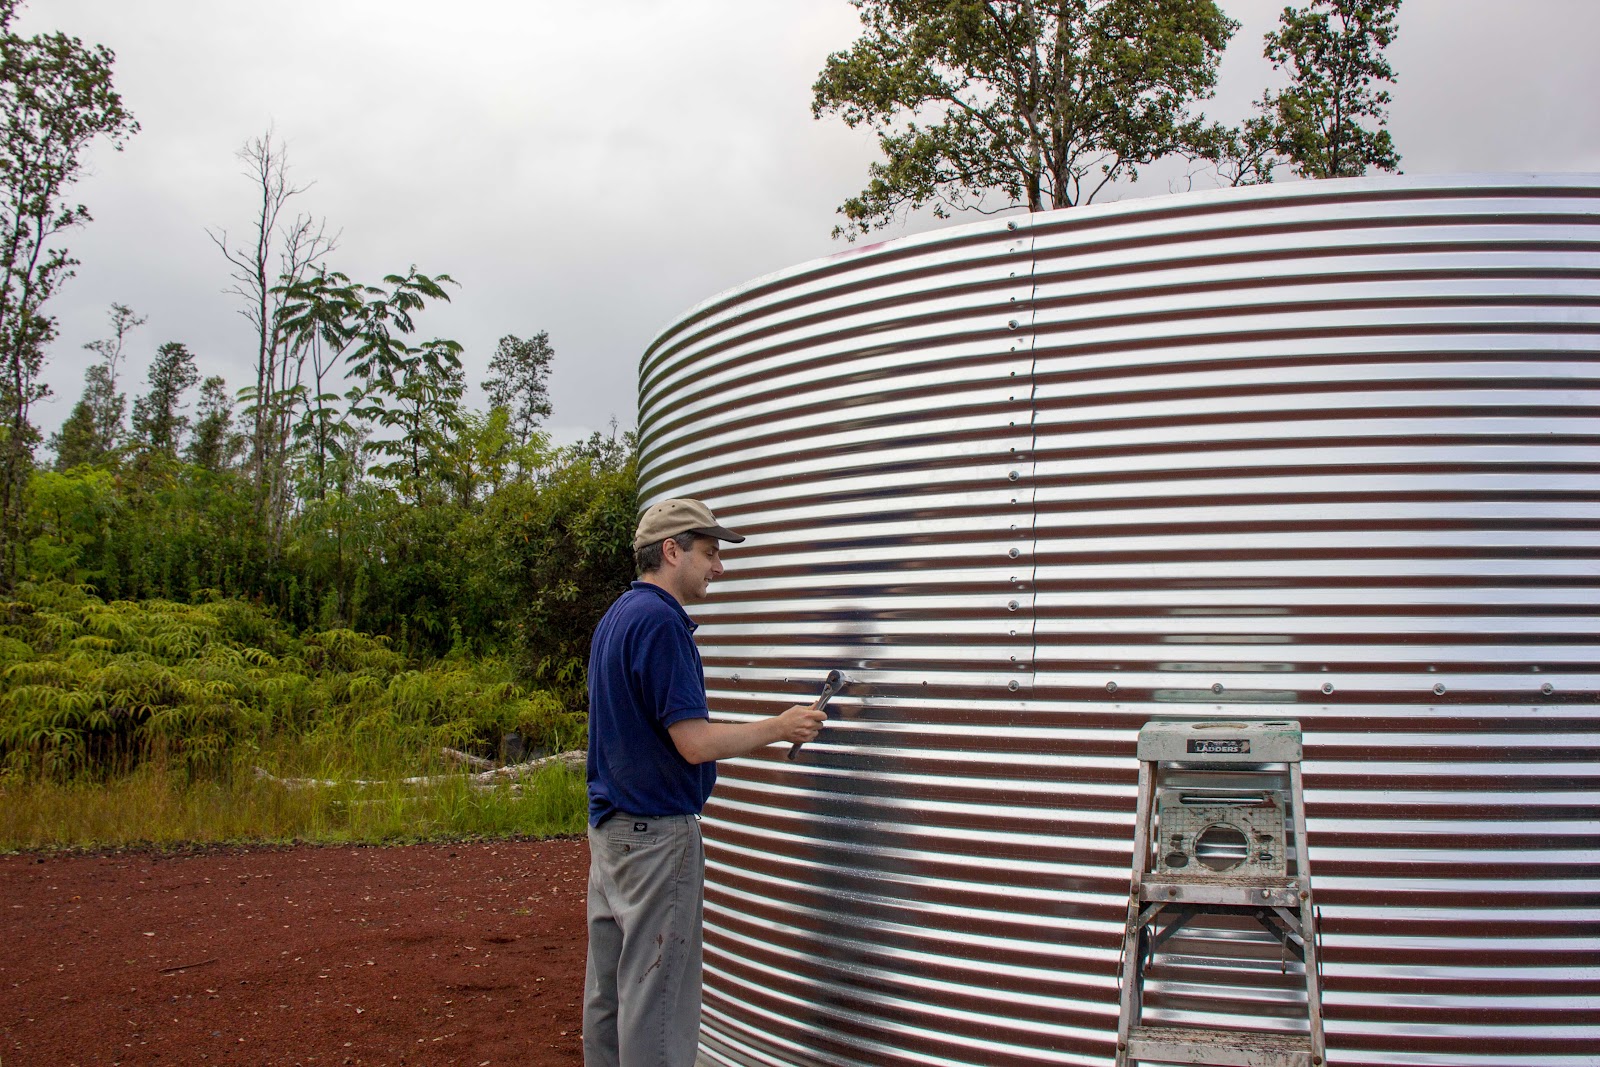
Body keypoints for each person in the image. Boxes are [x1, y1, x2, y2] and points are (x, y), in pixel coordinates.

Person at [582, 497, 826, 1067]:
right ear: (672, 551)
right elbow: (692, 743)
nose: (720, 568)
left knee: (611, 996)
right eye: (710, 553)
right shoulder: (663, 624)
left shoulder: (616, 617)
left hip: (610, 834)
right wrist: (780, 725)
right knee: (658, 1001)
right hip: (657, 842)